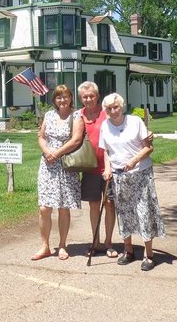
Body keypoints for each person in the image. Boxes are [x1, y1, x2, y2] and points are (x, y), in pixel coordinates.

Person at [99, 93, 165, 271]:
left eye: (116, 107)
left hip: (140, 173)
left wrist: (135, 160)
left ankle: (149, 255)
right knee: (124, 213)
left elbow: (148, 147)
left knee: (143, 212)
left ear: (122, 106)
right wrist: (107, 169)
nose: (113, 111)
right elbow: (106, 151)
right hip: (119, 175)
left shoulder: (135, 122)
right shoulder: (105, 126)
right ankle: (128, 251)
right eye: (109, 108)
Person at [32, 84, 85, 261]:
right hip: (48, 165)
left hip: (66, 165)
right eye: (59, 97)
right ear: (54, 100)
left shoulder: (76, 116)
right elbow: (41, 136)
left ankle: (62, 245)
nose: (62, 100)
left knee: (63, 208)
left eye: (66, 96)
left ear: (71, 98)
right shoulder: (49, 115)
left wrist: (57, 153)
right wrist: (47, 151)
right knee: (44, 208)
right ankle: (45, 246)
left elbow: (77, 140)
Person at [76, 82, 118, 258]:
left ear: (97, 96)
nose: (88, 99)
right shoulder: (78, 116)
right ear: (80, 98)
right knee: (94, 206)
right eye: (85, 96)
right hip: (90, 167)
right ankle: (96, 242)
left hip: (109, 167)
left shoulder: (106, 113)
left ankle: (108, 243)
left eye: (91, 95)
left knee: (109, 204)